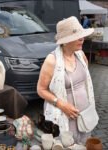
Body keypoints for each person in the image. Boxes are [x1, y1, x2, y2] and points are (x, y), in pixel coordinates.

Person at [37, 16, 98, 144]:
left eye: (82, 35)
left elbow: (84, 80)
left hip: (85, 114)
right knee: (66, 144)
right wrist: (61, 104)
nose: (82, 38)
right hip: (64, 116)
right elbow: (41, 89)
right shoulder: (52, 60)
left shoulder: (80, 54)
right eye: (77, 36)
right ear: (65, 41)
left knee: (83, 144)